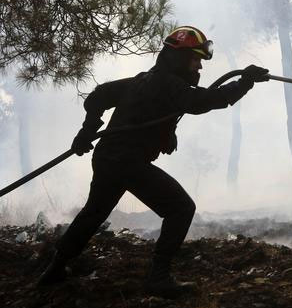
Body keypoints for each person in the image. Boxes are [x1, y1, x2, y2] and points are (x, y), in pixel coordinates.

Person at [37, 26, 269, 297]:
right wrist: (244, 83)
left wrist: (89, 131)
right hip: (127, 162)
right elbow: (201, 101)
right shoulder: (167, 83)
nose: (199, 68)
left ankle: (55, 268)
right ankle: (159, 278)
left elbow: (100, 95)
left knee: (94, 213)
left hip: (108, 158)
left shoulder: (146, 79)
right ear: (180, 59)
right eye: (195, 60)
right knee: (181, 208)